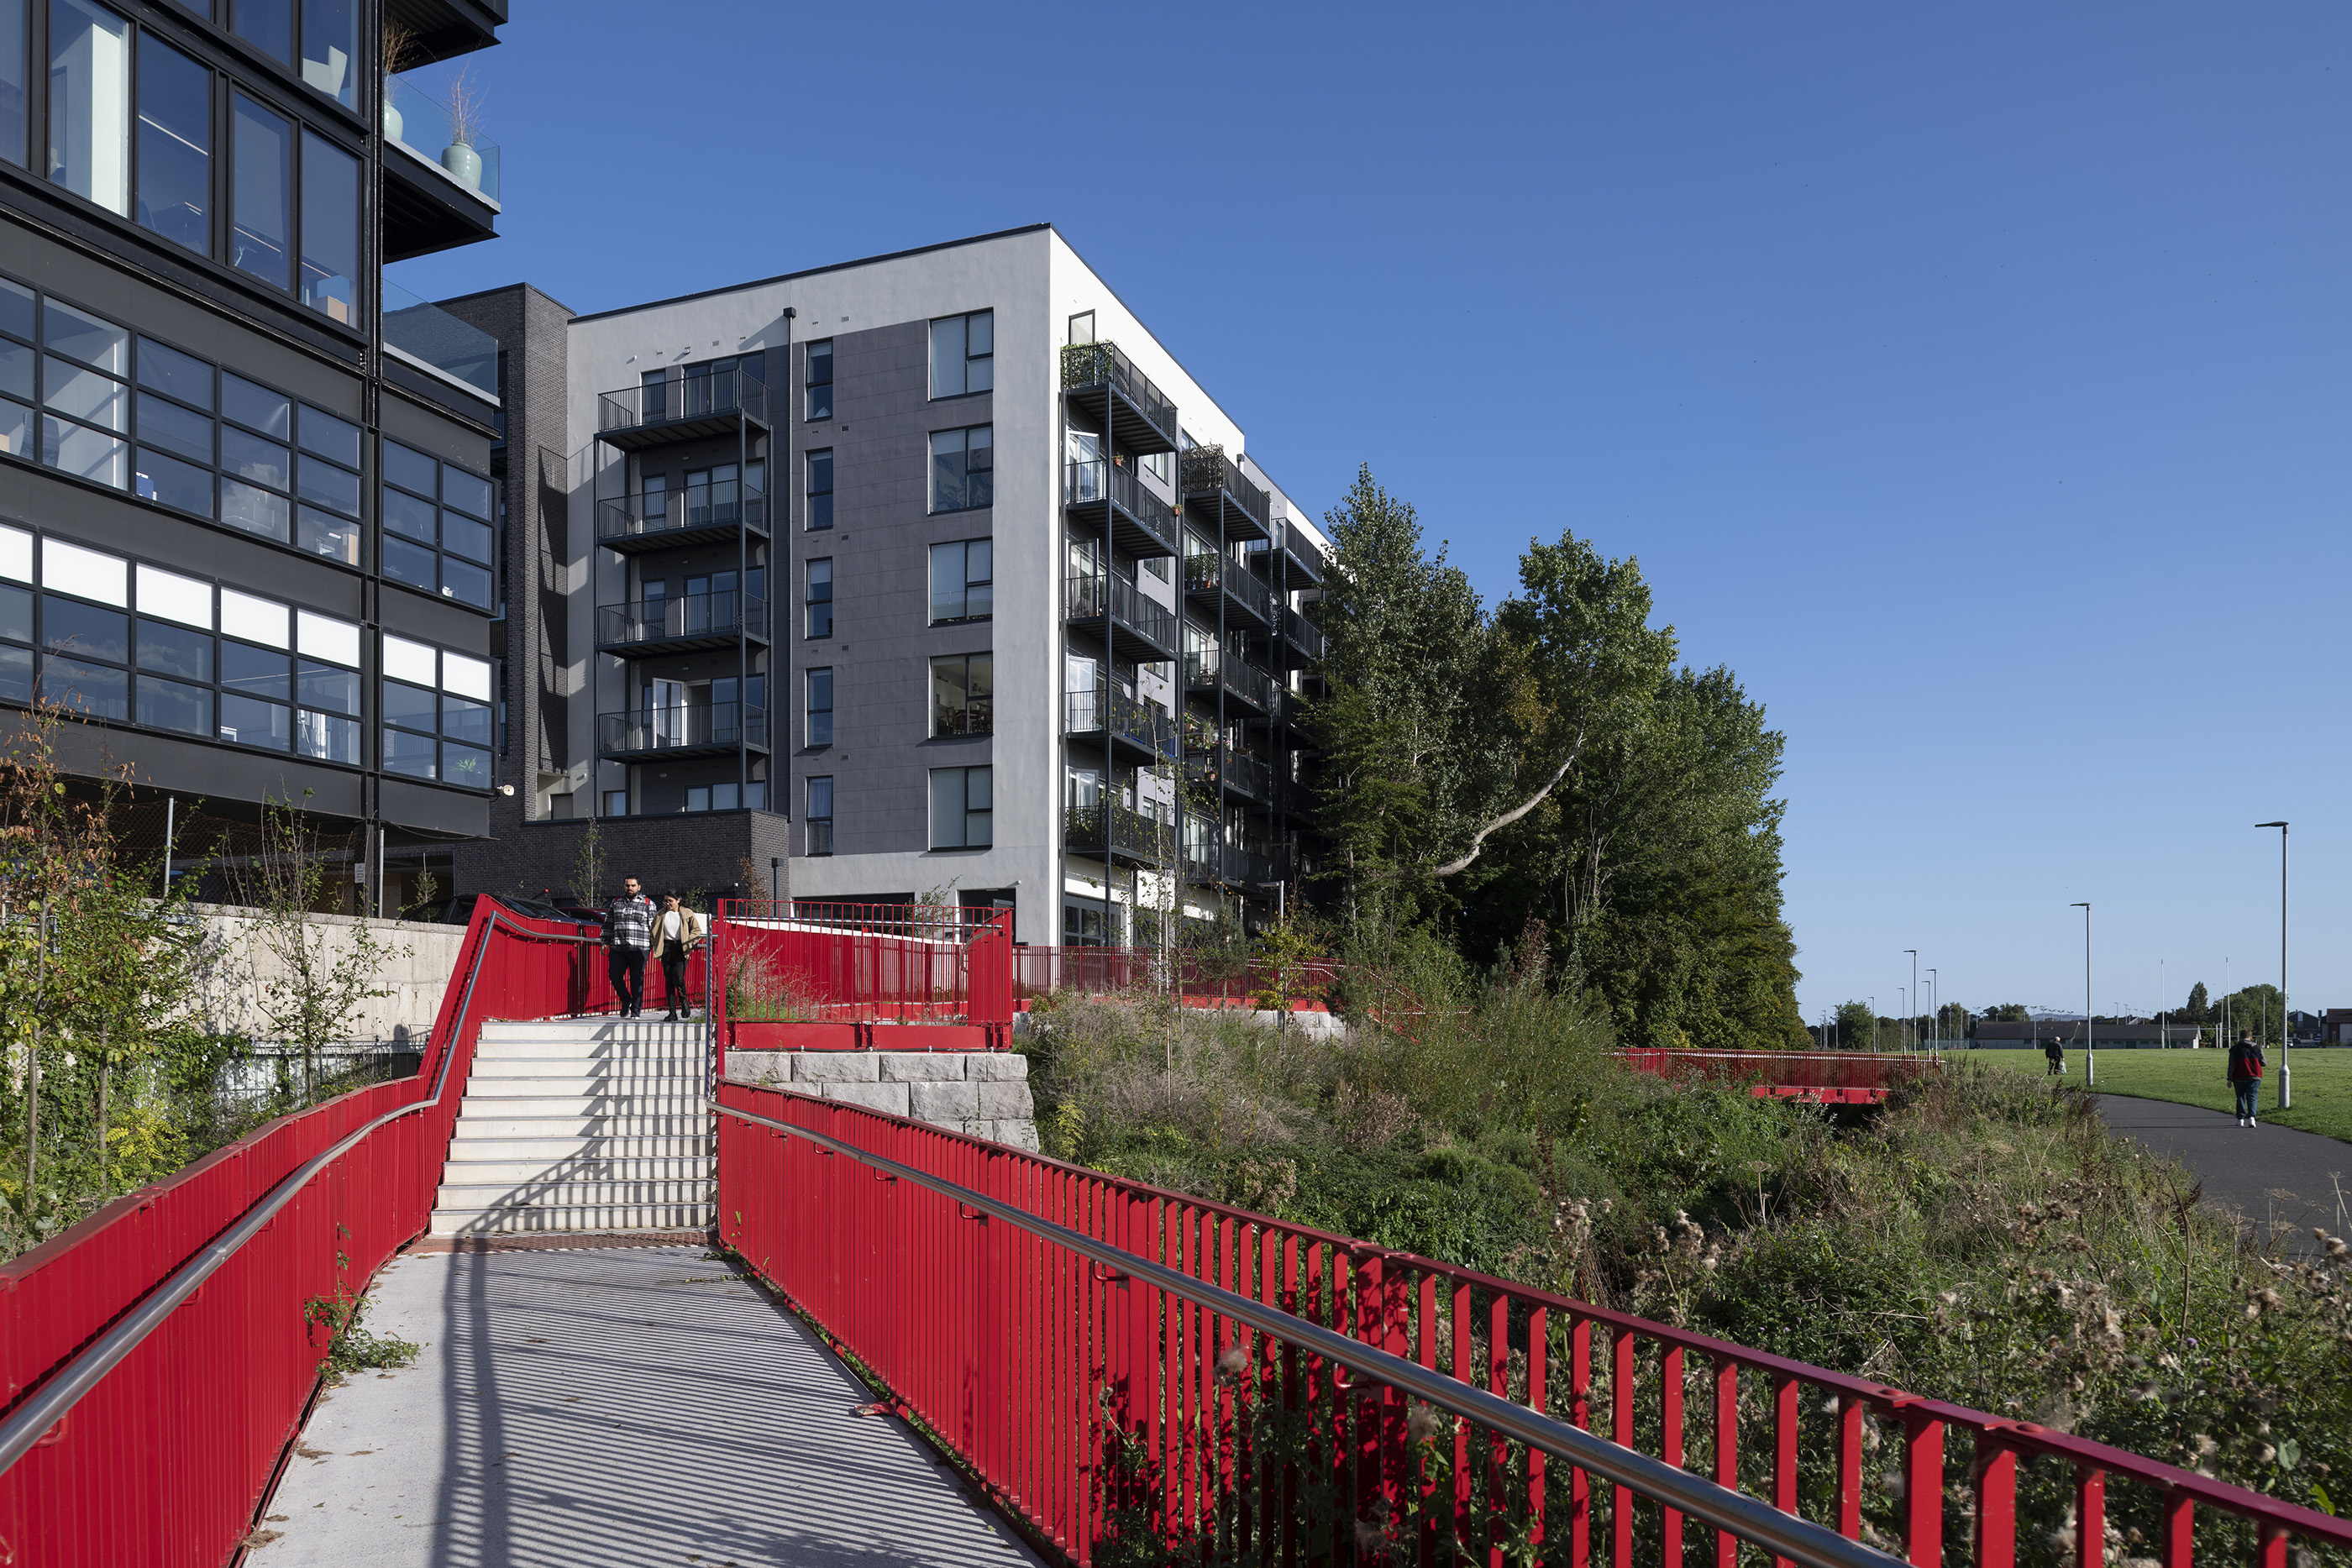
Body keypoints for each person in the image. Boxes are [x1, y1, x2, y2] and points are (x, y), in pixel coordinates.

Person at [649, 894, 707, 1021]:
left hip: (682, 947)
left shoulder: (687, 913)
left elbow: (696, 930)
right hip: (666, 947)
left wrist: (689, 942)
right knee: (669, 980)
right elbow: (653, 930)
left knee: (678, 977)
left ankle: (684, 1002)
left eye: (670, 901)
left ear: (678, 900)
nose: (667, 903)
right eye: (665, 901)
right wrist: (655, 942)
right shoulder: (660, 914)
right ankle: (672, 1012)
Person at [604, 876, 654, 1019]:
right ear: (624, 887)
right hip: (618, 946)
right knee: (614, 975)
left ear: (639, 887)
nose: (630, 888)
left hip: (640, 948)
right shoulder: (616, 902)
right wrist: (604, 941)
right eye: (627, 886)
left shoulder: (647, 903)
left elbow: (654, 927)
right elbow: (609, 923)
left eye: (633, 886)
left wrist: (656, 946)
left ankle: (636, 1011)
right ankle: (626, 999)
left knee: (637, 979)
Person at [2228, 1028, 2265, 1127]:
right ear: (2251, 1037)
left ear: (2240, 1038)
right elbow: (2263, 1063)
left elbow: (2232, 1065)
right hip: (2255, 1076)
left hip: (2239, 1076)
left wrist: (2229, 1078)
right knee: (2252, 1097)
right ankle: (2252, 1118)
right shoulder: (2257, 1048)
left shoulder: (2234, 1049)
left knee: (2240, 1097)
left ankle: (2240, 1119)